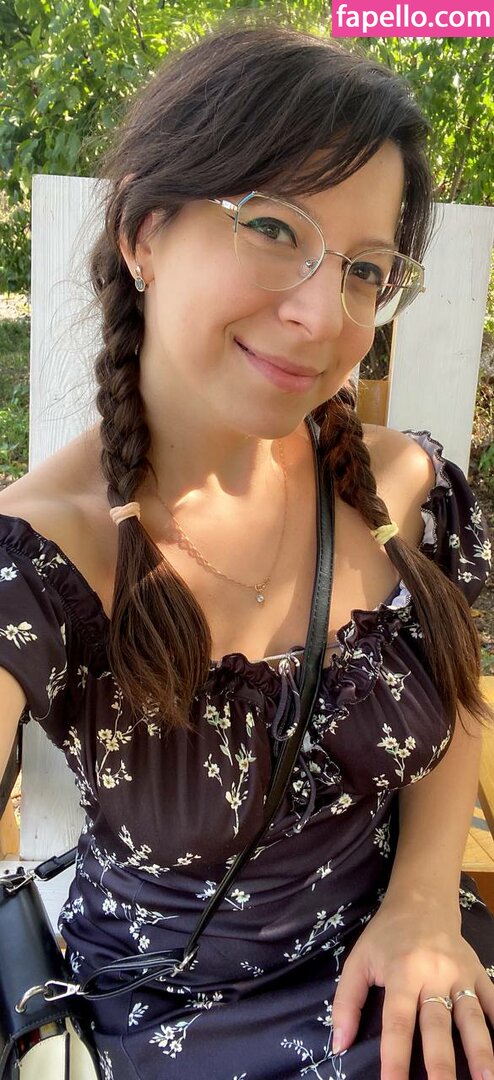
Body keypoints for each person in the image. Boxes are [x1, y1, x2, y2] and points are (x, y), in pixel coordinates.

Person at [0, 21, 493, 1080]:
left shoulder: (403, 494)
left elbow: (455, 704)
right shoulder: (42, 561)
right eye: (272, 226)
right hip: (170, 1018)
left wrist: (421, 901)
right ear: (143, 233)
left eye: (365, 270)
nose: (322, 314)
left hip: (412, 964)